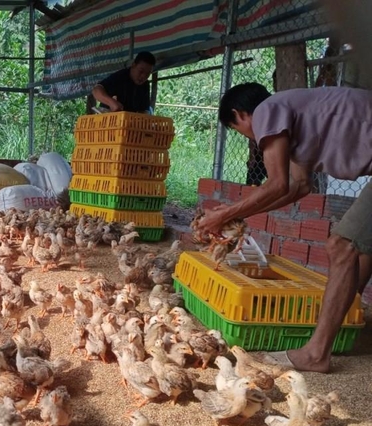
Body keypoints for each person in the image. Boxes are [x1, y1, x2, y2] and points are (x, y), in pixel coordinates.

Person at [198, 82, 372, 373]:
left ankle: (317, 354)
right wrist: (236, 217)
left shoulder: (268, 110)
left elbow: (278, 184)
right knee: (361, 248)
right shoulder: (294, 115)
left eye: (239, 130)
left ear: (239, 114)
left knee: (342, 246)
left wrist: (223, 214)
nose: (251, 139)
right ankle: (340, 328)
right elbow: (297, 187)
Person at [91, 51, 156, 113]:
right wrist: (111, 102)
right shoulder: (120, 77)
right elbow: (96, 90)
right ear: (133, 65)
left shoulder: (145, 85)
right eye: (141, 71)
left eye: (147, 74)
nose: (143, 76)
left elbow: (144, 110)